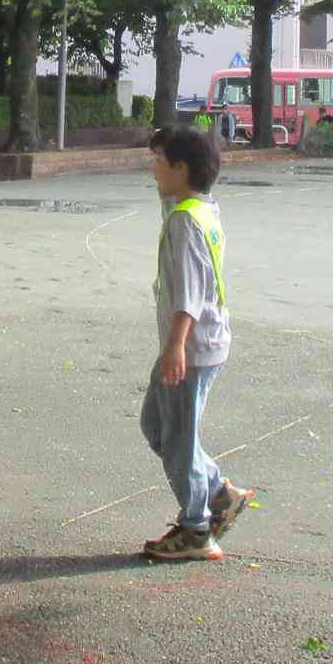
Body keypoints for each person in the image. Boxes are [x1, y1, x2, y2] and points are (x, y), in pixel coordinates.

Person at [138, 126, 248, 562]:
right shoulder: (200, 208)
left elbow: (190, 294)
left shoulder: (185, 221)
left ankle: (197, 529)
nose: (153, 171)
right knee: (157, 427)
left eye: (158, 161)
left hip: (191, 347)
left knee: (178, 440)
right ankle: (219, 492)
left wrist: (175, 347)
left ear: (181, 168)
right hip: (198, 344)